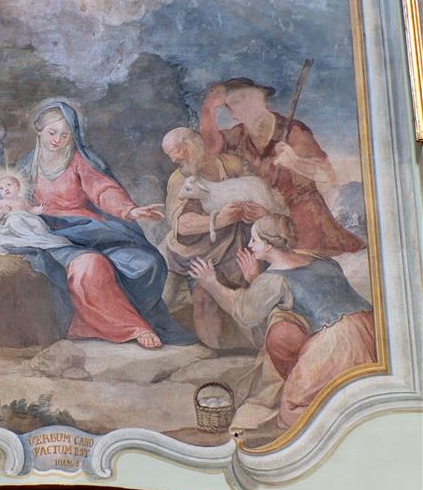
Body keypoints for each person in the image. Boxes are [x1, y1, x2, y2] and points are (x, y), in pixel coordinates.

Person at [0, 100, 196, 349]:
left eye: (65, 134)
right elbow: (5, 194)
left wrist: (129, 210)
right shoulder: (28, 165)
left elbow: (103, 190)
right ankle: (129, 326)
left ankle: (105, 325)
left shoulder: (79, 161)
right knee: (90, 265)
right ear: (38, 132)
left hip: (86, 230)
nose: (57, 140)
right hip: (44, 234)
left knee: (139, 263)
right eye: (52, 132)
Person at [188, 214, 375, 429]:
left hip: (335, 342)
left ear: (268, 245)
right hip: (368, 328)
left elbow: (244, 312)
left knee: (295, 408)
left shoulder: (275, 279)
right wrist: (255, 281)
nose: (249, 245)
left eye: (255, 240)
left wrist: (210, 282)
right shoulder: (323, 260)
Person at [200, 77, 364, 255]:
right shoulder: (238, 134)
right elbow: (210, 148)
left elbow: (327, 175)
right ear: (232, 112)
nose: (244, 105)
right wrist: (208, 109)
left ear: (261, 100)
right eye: (234, 102)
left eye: (247, 98)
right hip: (262, 216)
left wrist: (295, 162)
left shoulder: (293, 131)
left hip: (302, 217)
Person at [159, 127, 255, 348]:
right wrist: (220, 220)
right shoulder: (178, 179)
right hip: (195, 251)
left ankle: (259, 347)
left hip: (236, 243)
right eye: (170, 154)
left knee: (250, 294)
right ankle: (215, 353)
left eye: (177, 151)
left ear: (193, 145)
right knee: (204, 299)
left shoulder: (231, 165)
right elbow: (181, 224)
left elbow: (256, 190)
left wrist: (254, 210)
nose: (174, 159)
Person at [0, 172, 72, 254]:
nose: (6, 189)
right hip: (12, 221)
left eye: (9, 185)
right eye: (2, 188)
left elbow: (30, 210)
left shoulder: (21, 200)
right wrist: (1, 211)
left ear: (18, 187)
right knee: (14, 220)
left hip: (27, 220)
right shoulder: (1, 202)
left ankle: (34, 236)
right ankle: (27, 236)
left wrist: (39, 210)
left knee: (37, 224)